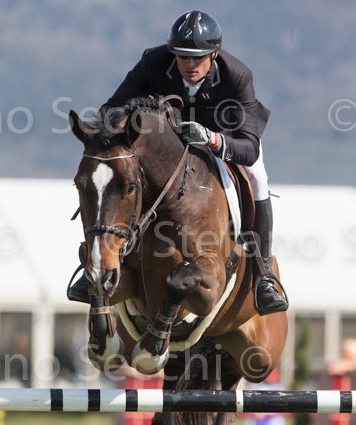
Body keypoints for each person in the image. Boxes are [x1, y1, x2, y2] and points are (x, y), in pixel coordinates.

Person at [69, 10, 288, 315]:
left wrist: (212, 139)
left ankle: (263, 274)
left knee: (257, 177)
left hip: (223, 137)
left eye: (197, 58)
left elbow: (249, 147)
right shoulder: (153, 61)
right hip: (169, 142)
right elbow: (110, 110)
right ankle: (104, 259)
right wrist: (133, 114)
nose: (189, 64)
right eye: (182, 56)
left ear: (213, 54)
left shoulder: (237, 76)